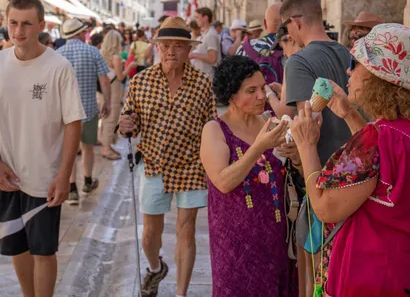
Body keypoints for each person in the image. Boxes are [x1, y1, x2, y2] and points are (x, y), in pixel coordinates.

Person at [290, 23, 410, 297]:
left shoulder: (377, 140)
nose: (348, 71)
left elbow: (325, 209)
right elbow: (380, 167)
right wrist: (348, 113)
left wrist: (306, 146)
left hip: (373, 279)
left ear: (379, 75)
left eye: (355, 63)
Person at [0, 0, 85, 297]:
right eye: (13, 23)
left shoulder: (59, 67)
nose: (18, 31)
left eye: (26, 24)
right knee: (16, 247)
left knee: (44, 251)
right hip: (9, 176)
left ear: (41, 26)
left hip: (44, 177)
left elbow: (73, 122)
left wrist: (64, 174)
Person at [118, 17, 216, 297]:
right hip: (154, 165)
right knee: (150, 234)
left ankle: (181, 293)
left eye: (178, 46)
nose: (171, 51)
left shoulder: (202, 85)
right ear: (158, 48)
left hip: (191, 166)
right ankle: (154, 267)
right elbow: (129, 121)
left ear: (188, 50)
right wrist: (125, 125)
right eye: (166, 45)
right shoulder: (140, 82)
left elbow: (211, 125)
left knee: (186, 230)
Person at [201, 56, 298, 297]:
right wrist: (258, 147)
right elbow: (223, 182)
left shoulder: (269, 122)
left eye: (262, 88)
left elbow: (292, 173)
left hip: (275, 234)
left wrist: (295, 155)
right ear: (231, 95)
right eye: (251, 90)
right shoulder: (215, 129)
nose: (261, 96)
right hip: (235, 240)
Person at [280, 0, 351, 295]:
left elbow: (304, 126)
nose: (287, 35)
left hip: (321, 176)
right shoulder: (349, 55)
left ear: (295, 22)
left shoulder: (299, 62)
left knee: (317, 277)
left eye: (285, 28)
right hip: (358, 174)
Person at [56, 19, 111, 202]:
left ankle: (72, 189)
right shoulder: (93, 51)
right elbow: (104, 80)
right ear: (81, 33)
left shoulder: (58, 54)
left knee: (69, 151)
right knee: (87, 148)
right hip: (88, 109)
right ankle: (87, 181)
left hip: (65, 112)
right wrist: (107, 102)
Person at [99, 31, 135, 160]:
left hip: (103, 89)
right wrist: (129, 66)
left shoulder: (102, 55)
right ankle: (106, 148)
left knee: (105, 117)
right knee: (112, 117)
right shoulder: (116, 57)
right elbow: (120, 77)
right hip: (114, 89)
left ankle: (106, 143)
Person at [266, 27, 301, 119]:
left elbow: (285, 115)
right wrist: (284, 92)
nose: (284, 53)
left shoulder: (293, 63)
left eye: (283, 48)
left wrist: (269, 93)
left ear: (290, 40)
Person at [189, 7, 220, 78]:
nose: (196, 20)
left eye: (197, 17)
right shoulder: (205, 34)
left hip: (208, 77)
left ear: (205, 18)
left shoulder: (211, 35)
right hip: (202, 77)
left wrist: (194, 55)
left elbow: (212, 58)